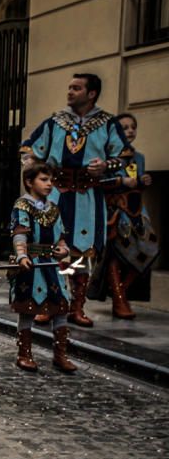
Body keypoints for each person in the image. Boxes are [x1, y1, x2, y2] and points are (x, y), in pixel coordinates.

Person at [20, 73, 131, 327]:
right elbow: (28, 149)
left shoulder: (107, 123)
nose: (70, 92)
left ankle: (75, 307)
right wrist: (37, 174)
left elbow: (124, 156)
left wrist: (106, 165)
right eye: (69, 87)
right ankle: (50, 303)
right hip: (55, 194)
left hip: (88, 198)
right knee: (51, 249)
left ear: (91, 94)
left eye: (76, 88)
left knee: (81, 254)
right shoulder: (55, 122)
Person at [89, 113, 159, 319]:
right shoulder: (103, 156)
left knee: (149, 249)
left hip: (136, 212)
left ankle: (119, 290)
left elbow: (135, 183)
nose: (129, 131)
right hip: (112, 212)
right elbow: (97, 184)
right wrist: (121, 183)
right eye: (124, 127)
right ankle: (120, 299)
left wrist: (142, 181)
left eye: (132, 127)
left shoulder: (139, 158)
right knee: (114, 254)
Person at [9, 163, 76, 373]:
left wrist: (63, 251)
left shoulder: (53, 208)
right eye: (44, 180)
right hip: (32, 264)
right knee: (28, 308)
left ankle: (60, 355)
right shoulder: (22, 205)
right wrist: (21, 255)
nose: (49, 184)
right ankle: (24, 353)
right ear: (29, 182)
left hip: (52, 266)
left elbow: (62, 238)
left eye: (51, 180)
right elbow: (20, 233)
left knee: (61, 306)